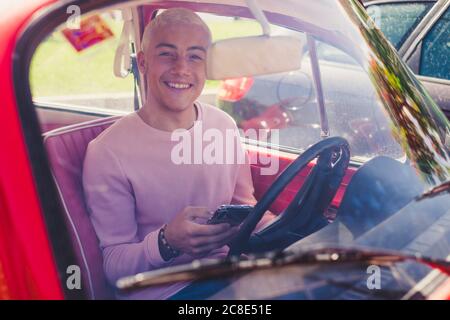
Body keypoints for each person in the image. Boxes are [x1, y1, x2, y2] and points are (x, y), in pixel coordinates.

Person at [82, 8, 274, 300]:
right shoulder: (107, 152)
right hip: (165, 291)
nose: (182, 68)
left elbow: (246, 207)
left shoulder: (223, 125)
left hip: (227, 273)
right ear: (143, 62)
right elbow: (114, 266)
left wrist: (295, 233)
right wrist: (166, 242)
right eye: (167, 54)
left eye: (195, 56)